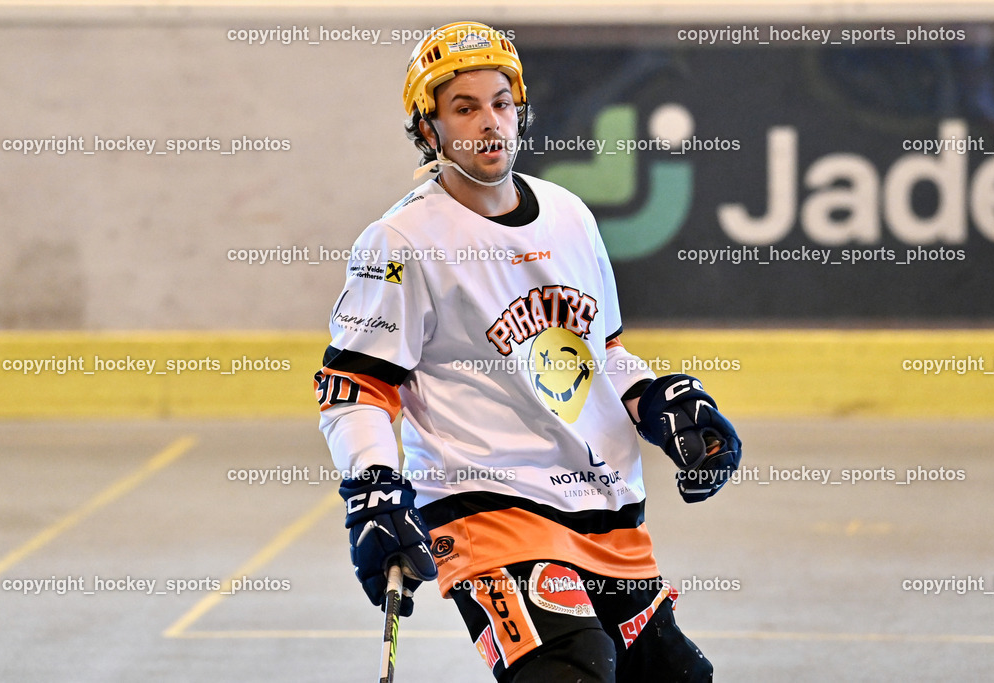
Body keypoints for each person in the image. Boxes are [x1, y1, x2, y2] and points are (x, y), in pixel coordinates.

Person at [316, 21, 742, 682]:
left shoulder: (570, 214)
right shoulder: (400, 240)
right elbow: (356, 386)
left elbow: (601, 352)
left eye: (500, 103)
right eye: (464, 108)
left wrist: (661, 405)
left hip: (601, 509)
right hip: (488, 507)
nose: (489, 122)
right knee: (572, 668)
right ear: (429, 130)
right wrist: (371, 487)